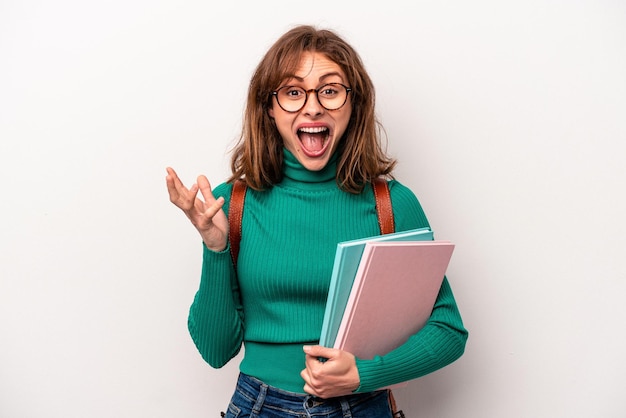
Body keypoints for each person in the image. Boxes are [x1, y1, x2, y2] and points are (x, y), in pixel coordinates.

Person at [166, 24, 468, 418]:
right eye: (293, 92)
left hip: (363, 407)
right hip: (259, 406)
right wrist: (216, 248)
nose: (313, 106)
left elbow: (448, 330)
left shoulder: (391, 204)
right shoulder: (231, 205)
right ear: (269, 108)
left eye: (330, 90)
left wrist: (365, 374)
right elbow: (215, 350)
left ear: (353, 104)